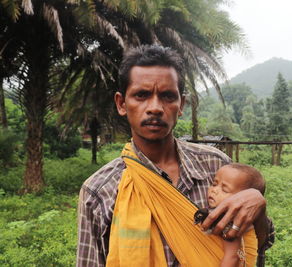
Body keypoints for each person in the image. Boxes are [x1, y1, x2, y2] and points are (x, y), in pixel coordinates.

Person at [76, 44, 272, 267]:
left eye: (168, 96)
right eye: (142, 95)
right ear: (121, 104)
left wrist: (258, 206)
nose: (156, 107)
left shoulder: (218, 167)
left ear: (181, 105)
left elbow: (260, 243)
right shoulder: (99, 191)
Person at [204, 163, 267, 267]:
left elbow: (232, 257)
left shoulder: (233, 223)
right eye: (214, 184)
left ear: (243, 200)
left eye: (224, 190)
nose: (214, 190)